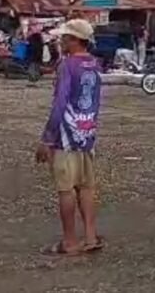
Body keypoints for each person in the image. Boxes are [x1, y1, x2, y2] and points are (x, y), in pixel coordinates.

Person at [36, 18, 103, 256]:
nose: (61, 40)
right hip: (87, 134)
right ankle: (91, 236)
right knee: (85, 188)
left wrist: (47, 138)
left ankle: (70, 242)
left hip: (65, 136)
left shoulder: (67, 65)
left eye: (65, 37)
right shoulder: (94, 65)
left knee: (65, 190)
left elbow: (60, 103)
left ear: (75, 40)